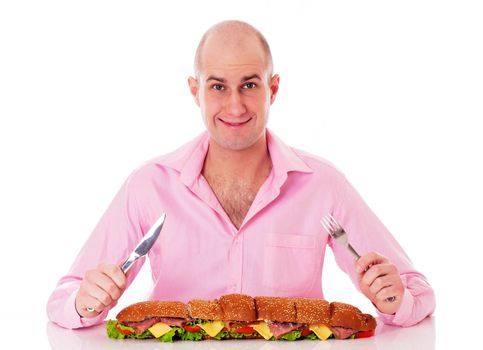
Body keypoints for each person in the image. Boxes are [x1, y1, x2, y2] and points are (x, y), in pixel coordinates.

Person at [47, 20, 435, 330]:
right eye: (218, 87)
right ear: (195, 91)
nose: (235, 105)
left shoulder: (323, 184)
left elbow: (417, 291)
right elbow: (64, 299)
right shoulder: (149, 185)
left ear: (273, 89)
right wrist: (86, 301)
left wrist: (392, 297)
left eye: (249, 85)